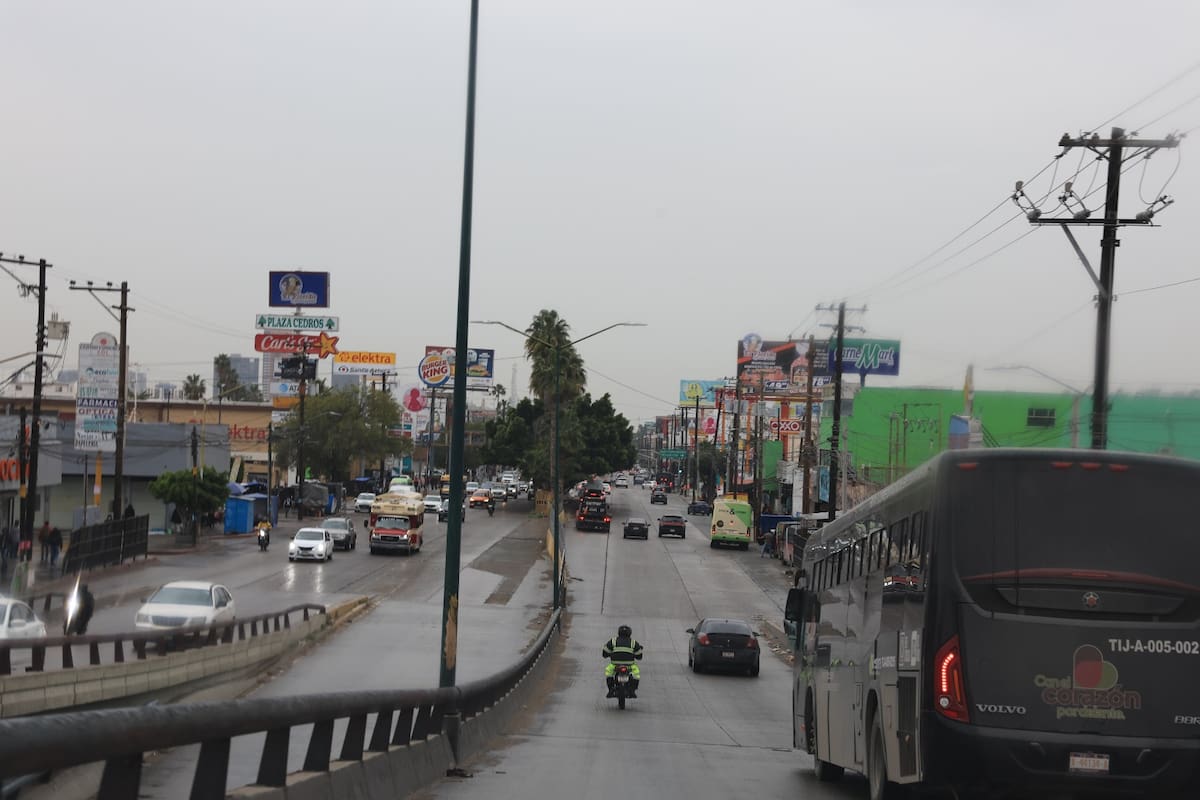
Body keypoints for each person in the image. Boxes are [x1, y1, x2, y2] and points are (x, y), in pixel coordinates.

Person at [602, 624, 644, 698]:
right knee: (636, 674)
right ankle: (632, 690)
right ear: (630, 633)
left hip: (615, 665)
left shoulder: (613, 641)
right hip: (629, 665)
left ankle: (611, 689)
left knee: (609, 672)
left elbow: (605, 653)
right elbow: (639, 656)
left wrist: (608, 654)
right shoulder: (633, 642)